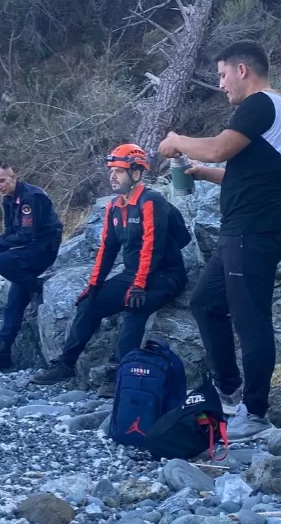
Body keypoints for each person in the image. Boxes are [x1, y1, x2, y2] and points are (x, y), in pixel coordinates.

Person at [159, 40, 281, 442]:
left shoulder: (259, 103)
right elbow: (255, 173)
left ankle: (255, 413)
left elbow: (220, 147)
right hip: (246, 229)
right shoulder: (276, 111)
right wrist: (204, 173)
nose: (221, 84)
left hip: (254, 231)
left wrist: (178, 141)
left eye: (222, 74)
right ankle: (230, 391)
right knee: (205, 302)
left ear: (242, 70)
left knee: (251, 321)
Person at [31, 145, 189, 395]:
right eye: (111, 171)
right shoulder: (115, 207)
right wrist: (93, 285)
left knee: (136, 306)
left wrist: (138, 287)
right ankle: (66, 363)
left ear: (136, 173)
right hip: (134, 274)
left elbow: (152, 247)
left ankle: (119, 371)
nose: (112, 176)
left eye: (119, 171)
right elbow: (107, 249)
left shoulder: (152, 201)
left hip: (165, 274)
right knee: (89, 303)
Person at [0, 161, 63, 370]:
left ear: (14, 177)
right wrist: (2, 255)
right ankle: (4, 351)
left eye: (2, 181)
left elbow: (25, 235)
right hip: (29, 250)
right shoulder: (7, 200)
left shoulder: (30, 197)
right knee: (14, 298)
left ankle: (38, 288)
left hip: (45, 248)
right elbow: (9, 233)